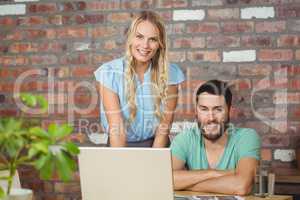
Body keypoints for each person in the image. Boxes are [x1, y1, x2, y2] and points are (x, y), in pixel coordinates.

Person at [94, 10, 185, 148]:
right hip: (119, 145)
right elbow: (116, 130)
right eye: (139, 37)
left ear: (160, 44)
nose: (145, 45)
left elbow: (163, 129)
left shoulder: (171, 74)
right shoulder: (110, 73)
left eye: (153, 39)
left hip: (156, 145)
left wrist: (153, 163)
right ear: (130, 38)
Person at [171, 80, 261, 195]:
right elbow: (165, 179)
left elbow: (242, 186)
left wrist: (185, 184)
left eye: (218, 109)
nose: (211, 118)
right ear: (196, 112)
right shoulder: (186, 138)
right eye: (204, 109)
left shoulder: (246, 137)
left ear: (230, 111)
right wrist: (212, 174)